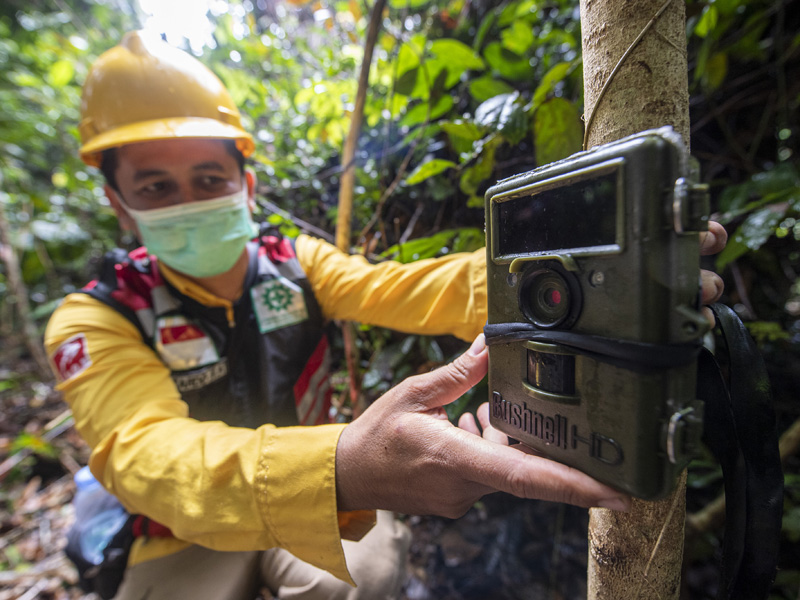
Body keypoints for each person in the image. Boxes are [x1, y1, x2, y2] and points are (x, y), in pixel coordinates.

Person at [44, 31, 725, 600]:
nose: (189, 201)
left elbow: (406, 290)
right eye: (156, 187)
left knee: (360, 582)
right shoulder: (95, 319)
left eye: (207, 179)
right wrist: (344, 466)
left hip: (316, 503)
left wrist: (583, 286)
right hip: (179, 533)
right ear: (119, 204)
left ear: (245, 185)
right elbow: (147, 456)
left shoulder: (295, 265)